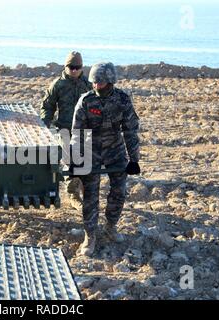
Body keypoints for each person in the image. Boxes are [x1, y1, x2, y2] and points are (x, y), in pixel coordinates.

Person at [70, 62, 141, 257]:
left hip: (115, 150)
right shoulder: (85, 101)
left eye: (100, 83)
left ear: (110, 82)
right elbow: (77, 133)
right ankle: (90, 235)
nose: (96, 86)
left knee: (119, 191)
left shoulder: (123, 100)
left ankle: (111, 226)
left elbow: (130, 130)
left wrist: (134, 159)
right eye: (94, 82)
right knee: (90, 195)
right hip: (91, 149)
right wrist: (76, 158)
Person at [40, 51, 91, 209]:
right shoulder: (58, 85)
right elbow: (48, 107)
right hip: (65, 129)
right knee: (71, 160)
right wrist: (44, 125)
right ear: (65, 66)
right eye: (71, 67)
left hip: (84, 129)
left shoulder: (88, 85)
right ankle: (73, 195)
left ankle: (85, 191)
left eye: (77, 67)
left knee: (87, 160)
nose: (74, 70)